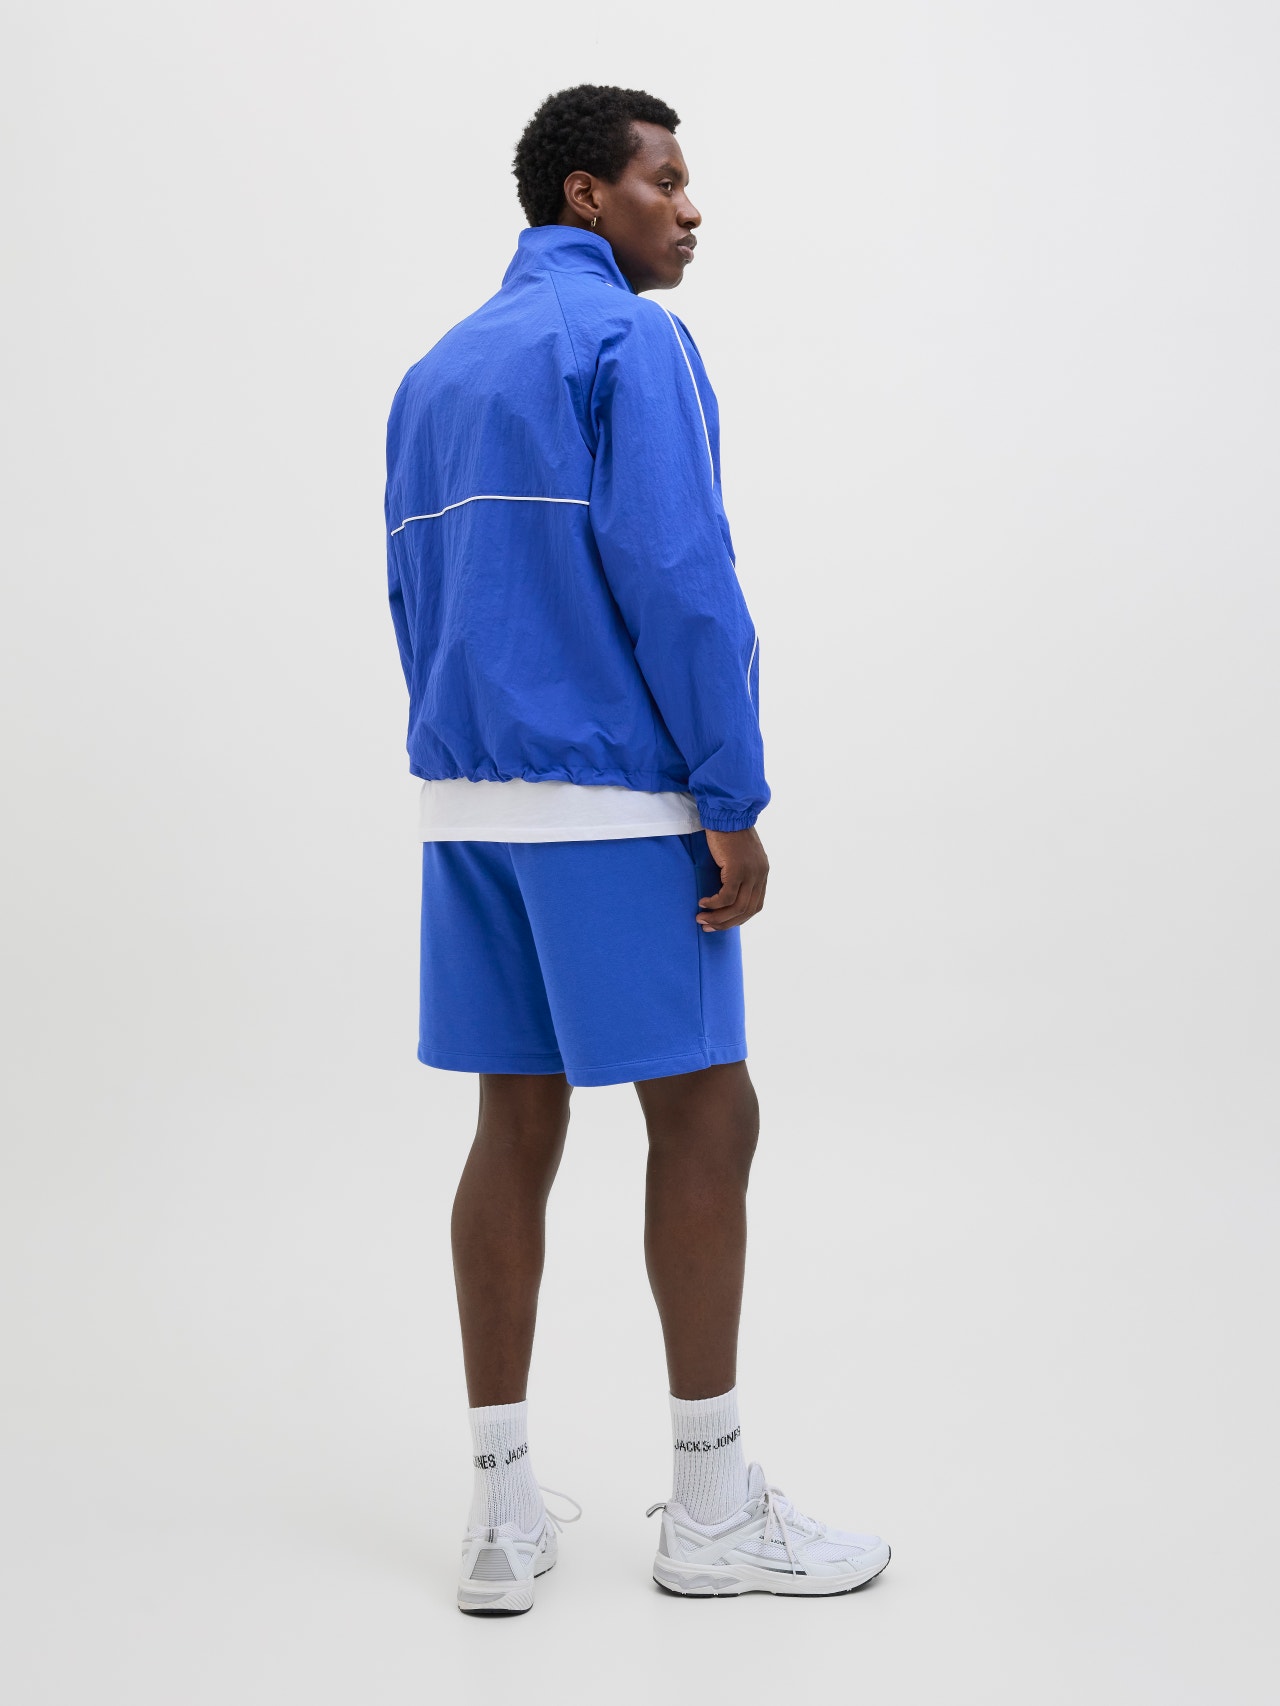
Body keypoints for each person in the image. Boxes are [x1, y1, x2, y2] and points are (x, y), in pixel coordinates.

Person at [384, 83, 891, 1615]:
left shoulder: (434, 370)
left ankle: (498, 1515)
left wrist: (465, 755)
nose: (690, 205)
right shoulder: (629, 342)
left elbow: (411, 593)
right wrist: (731, 793)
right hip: (612, 796)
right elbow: (680, 575)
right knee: (709, 1113)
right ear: (585, 195)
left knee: (513, 1122)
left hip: (470, 802)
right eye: (664, 178)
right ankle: (715, 1505)